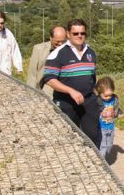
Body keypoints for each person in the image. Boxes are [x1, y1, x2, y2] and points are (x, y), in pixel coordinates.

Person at [42, 19, 102, 147]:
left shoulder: (90, 52)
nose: (79, 36)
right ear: (68, 34)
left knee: (92, 135)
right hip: (66, 101)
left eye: (82, 33)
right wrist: (70, 91)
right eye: (75, 33)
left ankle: (92, 163)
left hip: (88, 100)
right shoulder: (58, 53)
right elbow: (49, 79)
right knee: (69, 137)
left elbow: (92, 77)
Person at [26, 25, 67, 97]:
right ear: (51, 38)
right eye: (58, 41)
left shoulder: (70, 49)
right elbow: (32, 73)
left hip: (63, 87)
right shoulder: (38, 49)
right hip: (45, 86)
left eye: (63, 41)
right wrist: (31, 93)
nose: (60, 44)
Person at [95, 77, 123, 162]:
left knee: (109, 145)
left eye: (110, 95)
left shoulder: (114, 99)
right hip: (101, 127)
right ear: (100, 93)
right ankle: (101, 161)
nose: (108, 97)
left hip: (110, 127)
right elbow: (92, 111)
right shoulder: (97, 101)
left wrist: (119, 113)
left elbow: (116, 109)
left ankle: (103, 156)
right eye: (105, 95)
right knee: (103, 145)